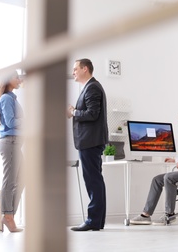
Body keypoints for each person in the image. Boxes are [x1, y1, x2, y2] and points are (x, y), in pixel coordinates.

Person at [67, 58, 108, 231]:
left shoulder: (92, 87)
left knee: (93, 181)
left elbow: (91, 114)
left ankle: (93, 221)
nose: (73, 72)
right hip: (90, 141)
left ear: (85, 69)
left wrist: (73, 112)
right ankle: (97, 222)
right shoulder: (91, 87)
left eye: (75, 68)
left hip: (90, 141)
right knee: (94, 180)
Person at [0, 70, 24, 232]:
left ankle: (8, 214)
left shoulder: (11, 98)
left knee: (21, 178)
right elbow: (11, 122)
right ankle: (8, 215)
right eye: (16, 77)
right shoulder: (6, 98)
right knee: (10, 181)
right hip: (10, 142)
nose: (19, 79)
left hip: (14, 144)